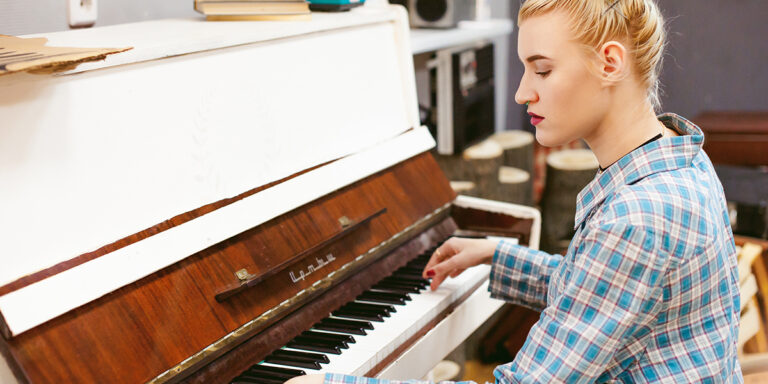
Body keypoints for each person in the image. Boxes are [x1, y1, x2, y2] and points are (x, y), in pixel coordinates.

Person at [288, 0, 742, 382]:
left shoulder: (637, 216)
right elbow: (598, 289)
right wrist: (495, 255)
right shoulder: (679, 157)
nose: (523, 93)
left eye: (541, 70)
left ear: (610, 63)